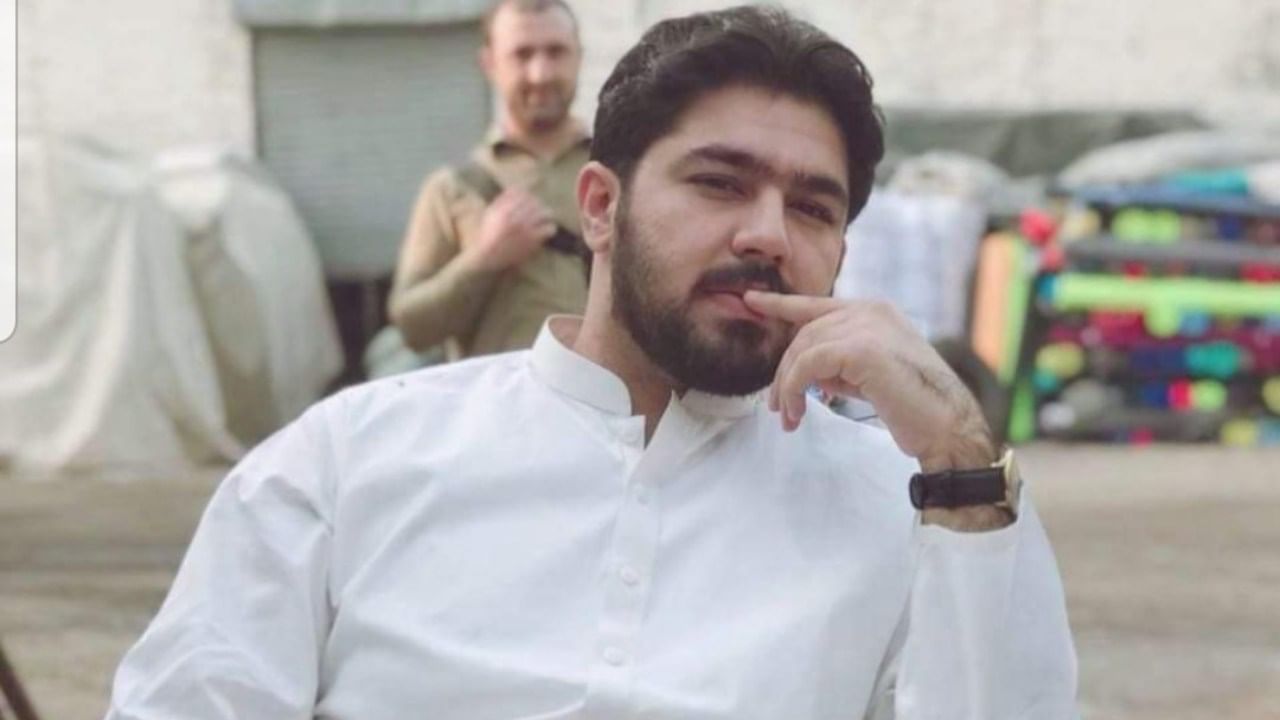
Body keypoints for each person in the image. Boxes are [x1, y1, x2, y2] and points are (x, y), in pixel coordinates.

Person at [106, 7, 1078, 719]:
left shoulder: (905, 504)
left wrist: (958, 457)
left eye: (812, 208)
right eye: (718, 183)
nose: (767, 234)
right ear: (601, 207)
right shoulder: (350, 462)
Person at [383, 0, 591, 366]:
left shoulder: (621, 172)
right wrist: (484, 257)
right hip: (499, 400)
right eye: (522, 55)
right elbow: (411, 326)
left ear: (579, 57)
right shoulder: (452, 188)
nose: (540, 73)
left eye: (556, 52)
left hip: (608, 397)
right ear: (490, 64)